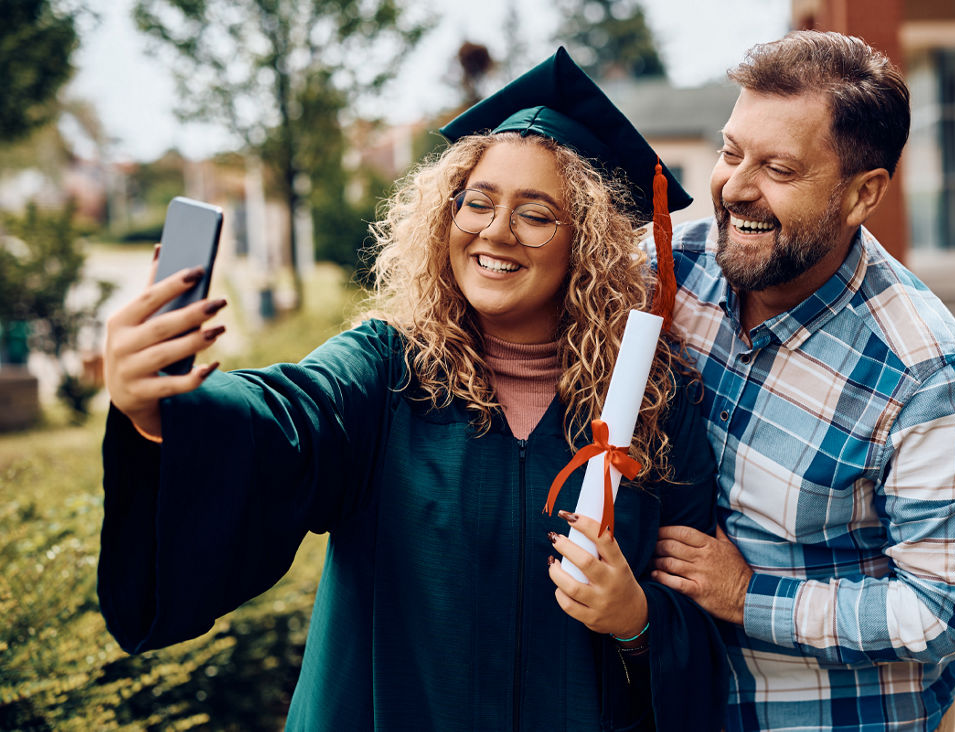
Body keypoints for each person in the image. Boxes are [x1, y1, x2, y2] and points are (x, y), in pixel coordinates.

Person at [97, 49, 727, 731]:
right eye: (477, 201)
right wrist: (166, 409)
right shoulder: (388, 370)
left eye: (537, 214)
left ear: (589, 242)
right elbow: (290, 415)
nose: (495, 231)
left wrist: (635, 619)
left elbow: (698, 624)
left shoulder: (650, 409)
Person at [648, 32, 955, 732]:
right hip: (675, 703)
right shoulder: (669, 271)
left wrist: (750, 596)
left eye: (778, 168)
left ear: (862, 194)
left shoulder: (926, 374)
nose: (735, 187)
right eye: (730, 153)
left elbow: (945, 612)